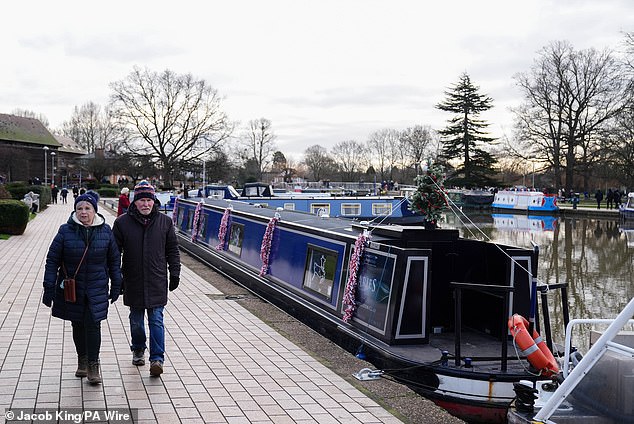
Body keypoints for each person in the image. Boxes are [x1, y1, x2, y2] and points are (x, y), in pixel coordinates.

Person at [42, 191, 122, 385]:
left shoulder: (105, 231)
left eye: (88, 208)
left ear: (95, 210)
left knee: (93, 324)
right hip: (73, 288)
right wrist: (49, 287)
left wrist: (117, 284)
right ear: (75, 210)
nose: (83, 212)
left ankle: (93, 365)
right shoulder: (65, 231)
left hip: (96, 288)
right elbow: (52, 260)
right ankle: (82, 360)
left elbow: (114, 260)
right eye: (79, 208)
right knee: (77, 324)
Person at [112, 180, 181, 377]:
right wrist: (116, 278)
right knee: (136, 320)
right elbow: (113, 253)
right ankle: (138, 348)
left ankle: (157, 359)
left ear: (154, 201)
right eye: (141, 200)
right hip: (132, 280)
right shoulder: (122, 223)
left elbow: (172, 251)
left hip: (157, 280)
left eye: (148, 200)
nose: (145, 204)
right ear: (134, 202)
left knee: (156, 320)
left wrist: (175, 272)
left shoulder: (165, 222)